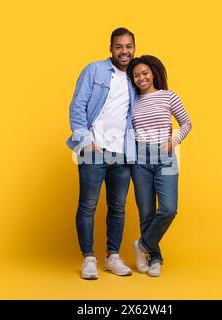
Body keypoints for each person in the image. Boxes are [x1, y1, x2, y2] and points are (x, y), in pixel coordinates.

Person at [66, 28, 137, 279]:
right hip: (94, 149)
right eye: (119, 46)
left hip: (122, 153)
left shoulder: (135, 77)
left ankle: (112, 257)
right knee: (88, 206)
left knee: (117, 207)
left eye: (129, 46)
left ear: (134, 49)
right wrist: (86, 142)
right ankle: (88, 258)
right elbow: (78, 106)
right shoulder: (94, 70)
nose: (124, 51)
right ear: (111, 48)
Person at [126, 55, 192, 277]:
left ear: (153, 73)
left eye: (145, 73)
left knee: (168, 209)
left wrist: (173, 141)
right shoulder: (132, 100)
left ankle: (142, 246)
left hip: (165, 157)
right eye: (136, 75)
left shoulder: (168, 96)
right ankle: (155, 259)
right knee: (146, 213)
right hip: (140, 160)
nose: (141, 78)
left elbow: (187, 123)